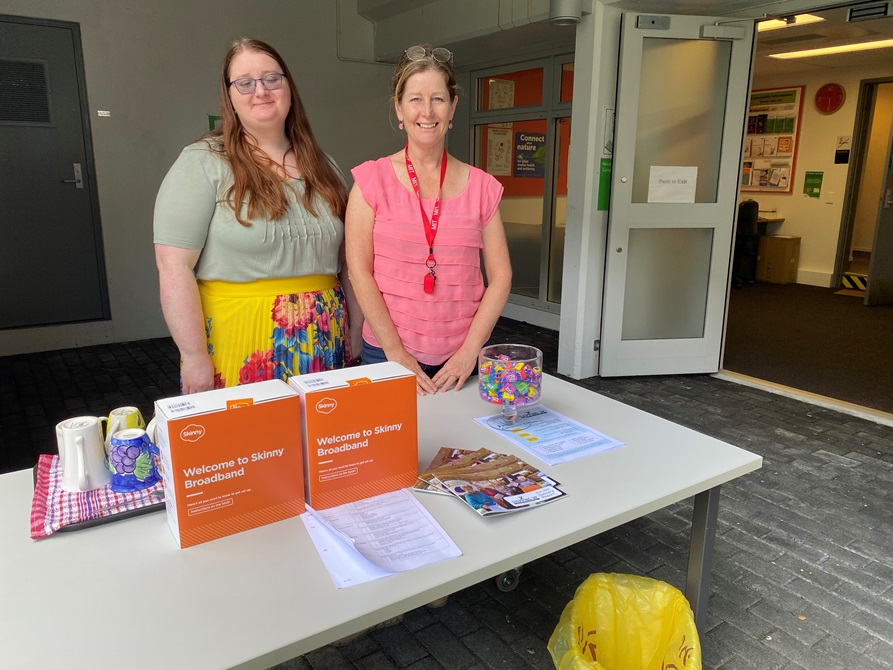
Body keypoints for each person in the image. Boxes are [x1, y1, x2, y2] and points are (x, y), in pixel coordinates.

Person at [154, 38, 359, 394]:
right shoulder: (202, 162)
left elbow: (348, 264)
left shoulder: (324, 166)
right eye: (245, 83)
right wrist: (193, 355)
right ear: (229, 96)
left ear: (289, 88)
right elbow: (173, 267)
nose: (260, 91)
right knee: (248, 447)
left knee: (322, 445)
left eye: (271, 79)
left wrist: (356, 331)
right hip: (240, 340)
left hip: (327, 337)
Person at [345, 45, 511, 396]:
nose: (427, 111)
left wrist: (468, 354)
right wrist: (394, 353)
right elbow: (359, 271)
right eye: (415, 99)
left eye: (437, 99)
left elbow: (501, 276)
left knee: (463, 450)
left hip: (463, 359)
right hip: (387, 354)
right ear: (399, 109)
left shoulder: (482, 187)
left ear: (452, 108)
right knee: (393, 449)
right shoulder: (370, 182)